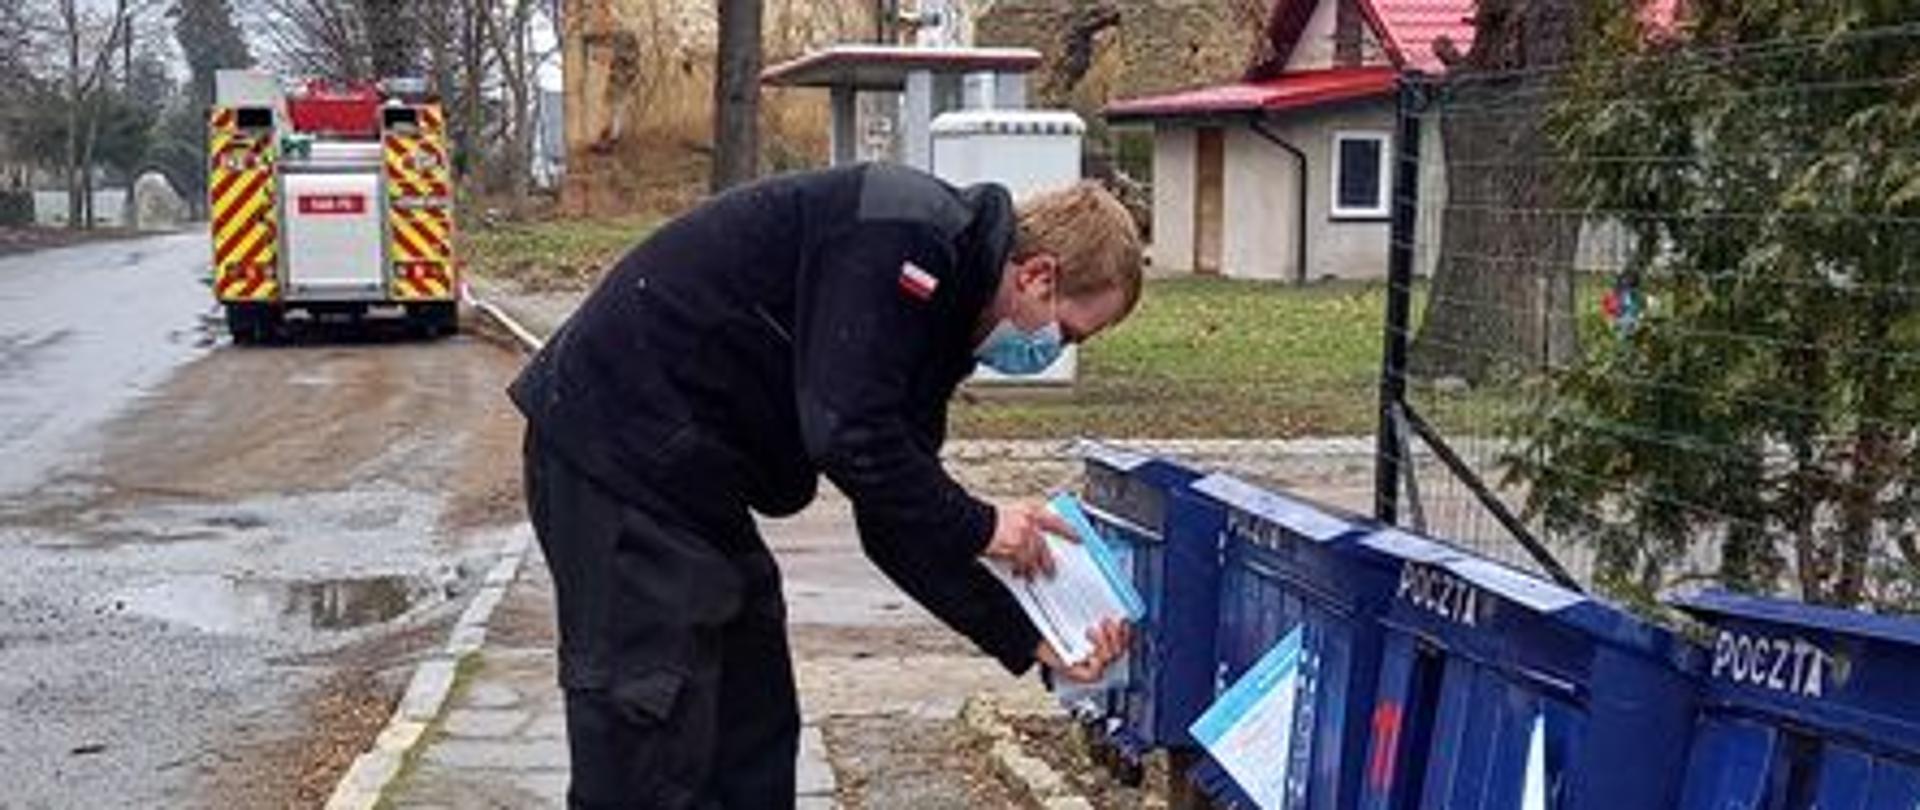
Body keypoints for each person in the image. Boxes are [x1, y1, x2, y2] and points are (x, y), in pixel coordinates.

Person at [510, 162, 1145, 808]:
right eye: (1067, 331)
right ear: (1038, 275)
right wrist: (985, 525)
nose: (1053, 349)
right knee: (651, 727)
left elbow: (896, 520)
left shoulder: (945, 316)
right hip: (615, 450)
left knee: (751, 724)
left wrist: (1035, 642)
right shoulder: (907, 239)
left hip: (691, 483)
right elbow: (847, 434)